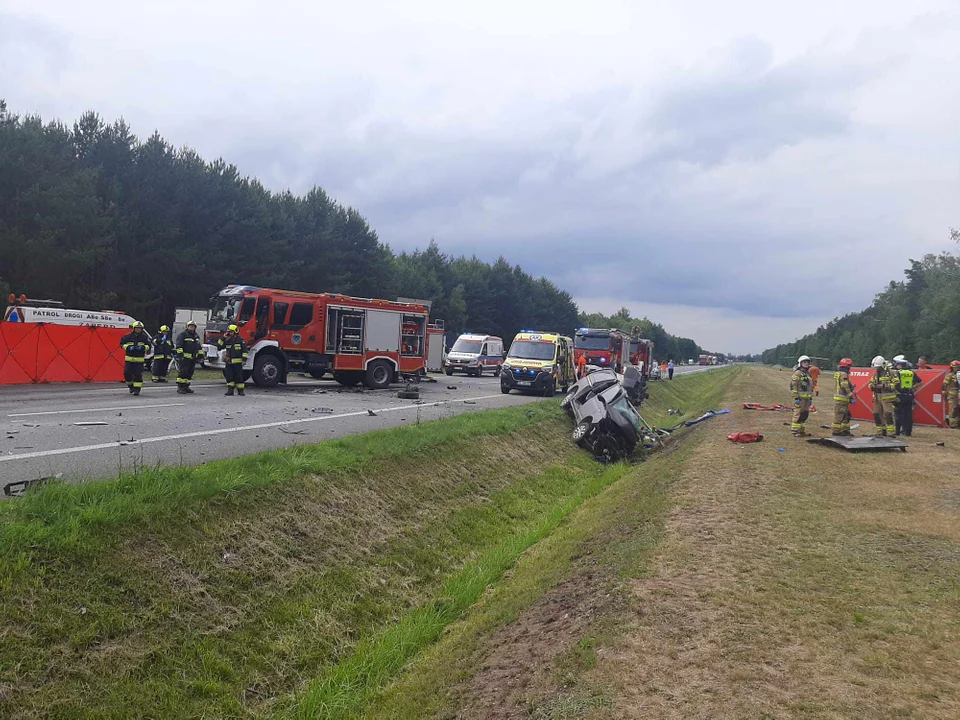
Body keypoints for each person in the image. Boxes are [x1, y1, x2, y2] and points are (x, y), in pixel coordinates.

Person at [868, 356, 899, 437]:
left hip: (887, 398)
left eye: (878, 367)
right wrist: (872, 386)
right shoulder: (876, 373)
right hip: (877, 397)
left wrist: (885, 386)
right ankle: (881, 431)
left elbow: (897, 384)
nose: (877, 369)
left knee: (888, 414)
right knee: (876, 414)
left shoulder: (891, 372)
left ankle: (891, 432)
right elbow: (870, 383)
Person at [892, 355, 922, 436]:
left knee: (898, 413)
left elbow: (894, 384)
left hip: (899, 395)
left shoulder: (897, 373)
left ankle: (898, 431)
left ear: (900, 365)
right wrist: (913, 388)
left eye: (897, 364)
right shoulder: (911, 373)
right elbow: (920, 382)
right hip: (909, 395)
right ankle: (908, 431)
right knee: (908, 414)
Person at [217, 324, 250, 396]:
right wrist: (223, 337)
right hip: (229, 363)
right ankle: (230, 390)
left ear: (235, 332)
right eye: (228, 332)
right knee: (229, 376)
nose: (229, 333)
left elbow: (245, 351)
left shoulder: (240, 341)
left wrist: (244, 360)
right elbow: (219, 346)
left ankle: (240, 390)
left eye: (231, 332)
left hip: (238, 363)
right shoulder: (227, 340)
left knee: (239, 377)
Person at [120, 321, 151, 395]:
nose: (138, 330)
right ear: (134, 328)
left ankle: (137, 389)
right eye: (137, 328)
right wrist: (129, 347)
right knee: (127, 373)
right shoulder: (127, 337)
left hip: (139, 360)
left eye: (140, 328)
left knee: (138, 374)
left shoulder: (144, 337)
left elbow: (149, 346)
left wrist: (142, 348)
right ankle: (130, 386)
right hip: (129, 359)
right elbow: (122, 344)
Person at [790, 355, 815, 436]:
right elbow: (794, 386)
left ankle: (801, 431)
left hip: (807, 399)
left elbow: (810, 386)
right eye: (804, 362)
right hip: (800, 398)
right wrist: (796, 397)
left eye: (807, 362)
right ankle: (795, 431)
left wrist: (810, 397)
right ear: (800, 363)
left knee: (804, 415)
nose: (806, 364)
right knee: (798, 414)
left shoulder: (808, 374)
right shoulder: (797, 373)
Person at [175, 320, 203, 394]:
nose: (192, 328)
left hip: (192, 358)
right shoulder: (182, 335)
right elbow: (179, 346)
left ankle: (186, 386)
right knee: (183, 373)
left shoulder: (196, 336)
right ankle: (180, 387)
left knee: (189, 373)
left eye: (193, 327)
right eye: (190, 326)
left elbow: (199, 347)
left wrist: (200, 355)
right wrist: (180, 355)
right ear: (187, 327)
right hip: (184, 358)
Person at [832, 357, 856, 436]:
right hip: (842, 398)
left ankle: (845, 430)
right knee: (840, 415)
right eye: (849, 366)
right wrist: (851, 395)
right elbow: (844, 385)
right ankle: (836, 431)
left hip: (842, 398)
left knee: (846, 415)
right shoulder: (843, 374)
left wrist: (851, 386)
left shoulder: (839, 373)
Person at [943, 360, 960, 429]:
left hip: (959, 395)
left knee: (958, 410)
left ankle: (958, 423)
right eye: (955, 367)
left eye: (958, 367)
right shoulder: (950, 375)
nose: (957, 368)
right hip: (952, 396)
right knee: (953, 409)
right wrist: (944, 394)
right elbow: (944, 385)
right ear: (952, 367)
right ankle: (953, 425)